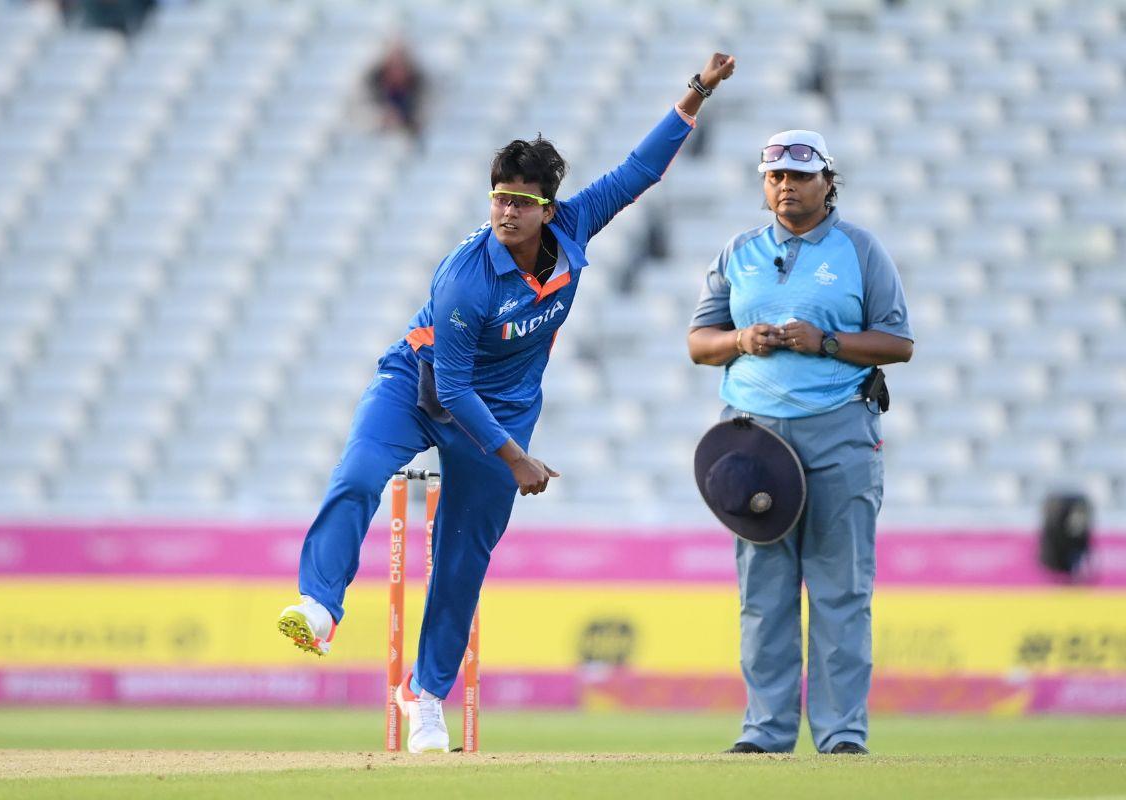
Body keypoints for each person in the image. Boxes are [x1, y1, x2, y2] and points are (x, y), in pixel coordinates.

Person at [280, 53, 737, 753]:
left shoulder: (574, 227)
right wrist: (516, 458)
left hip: (506, 407)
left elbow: (639, 172)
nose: (505, 211)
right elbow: (454, 387)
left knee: (462, 558)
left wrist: (697, 91)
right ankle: (318, 605)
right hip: (421, 386)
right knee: (358, 476)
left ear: (548, 208)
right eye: (497, 197)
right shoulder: (466, 277)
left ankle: (424, 695)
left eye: (521, 201)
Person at [687, 130, 913, 755]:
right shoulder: (739, 252)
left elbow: (899, 343)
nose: (786, 185)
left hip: (840, 431)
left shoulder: (861, 251)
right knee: (764, 597)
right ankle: (765, 733)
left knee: (841, 590)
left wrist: (829, 342)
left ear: (827, 182)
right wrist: (741, 340)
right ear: (764, 185)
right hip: (752, 440)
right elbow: (699, 342)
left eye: (799, 175)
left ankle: (842, 736)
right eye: (775, 176)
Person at [367, 39, 427, 139]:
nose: (397, 70)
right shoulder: (372, 91)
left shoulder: (419, 94)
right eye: (394, 65)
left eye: (400, 65)